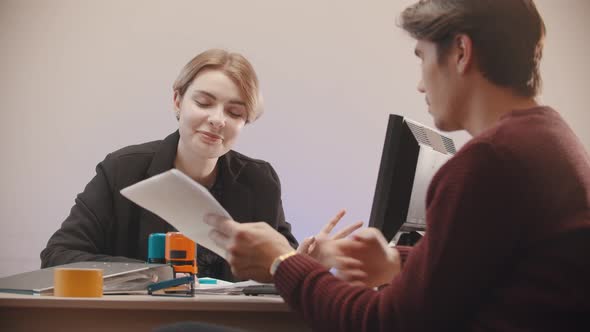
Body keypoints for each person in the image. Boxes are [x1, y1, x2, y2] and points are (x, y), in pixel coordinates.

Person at [206, 0, 590, 330]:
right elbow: (481, 270)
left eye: (421, 57)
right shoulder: (550, 136)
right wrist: (401, 262)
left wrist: (282, 261)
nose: (420, 85)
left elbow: (384, 325)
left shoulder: (490, 160)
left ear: (460, 52)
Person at [40, 49, 299, 281]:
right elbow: (57, 256)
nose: (218, 119)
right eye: (204, 103)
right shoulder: (122, 170)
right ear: (177, 101)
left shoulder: (260, 180)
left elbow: (282, 268)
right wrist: (157, 275)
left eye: (235, 113)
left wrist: (305, 262)